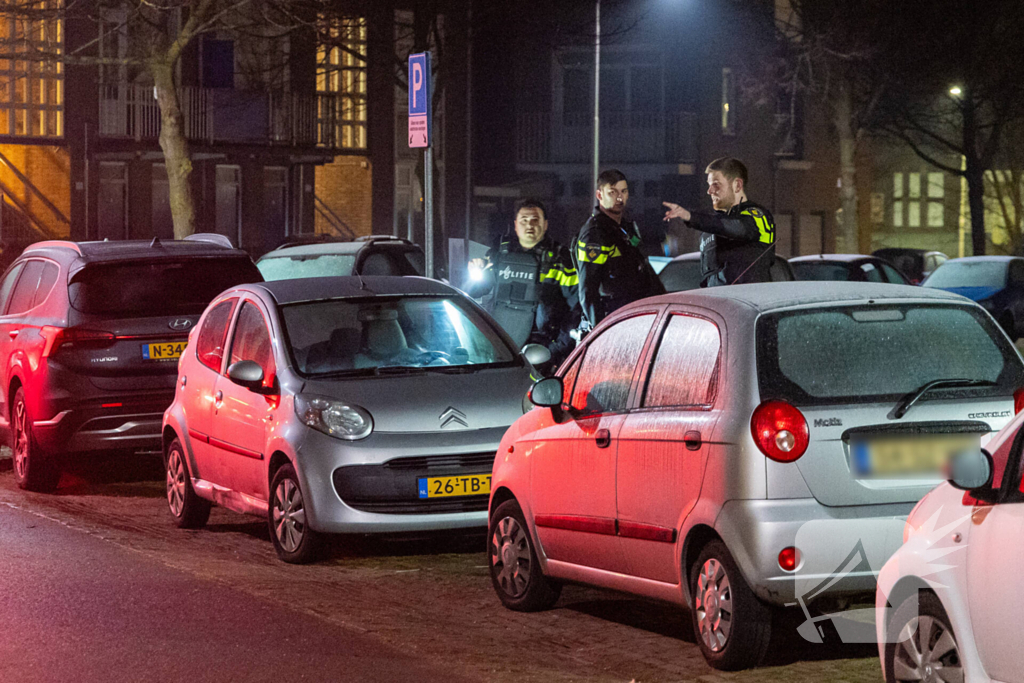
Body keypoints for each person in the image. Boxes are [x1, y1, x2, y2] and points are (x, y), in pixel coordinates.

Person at [467, 199, 578, 366]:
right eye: (524, 220)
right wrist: (475, 270)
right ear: (515, 225)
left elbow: (576, 307)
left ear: (545, 224)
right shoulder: (500, 254)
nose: (529, 225)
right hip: (502, 345)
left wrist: (557, 348)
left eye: (535, 220)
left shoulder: (560, 258)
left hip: (544, 347)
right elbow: (473, 292)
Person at [662, 157, 776, 287]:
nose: (709, 191)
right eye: (709, 185)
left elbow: (736, 227)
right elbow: (708, 276)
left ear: (737, 185)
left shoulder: (757, 215)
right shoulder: (711, 225)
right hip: (717, 302)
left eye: (716, 184)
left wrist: (689, 216)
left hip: (747, 301)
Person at [575, 169, 665, 328]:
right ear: (599, 195)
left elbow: (644, 268)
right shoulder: (595, 234)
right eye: (612, 192)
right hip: (615, 319)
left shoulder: (626, 227)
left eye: (623, 191)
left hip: (637, 314)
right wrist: (600, 330)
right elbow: (588, 291)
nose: (619, 197)